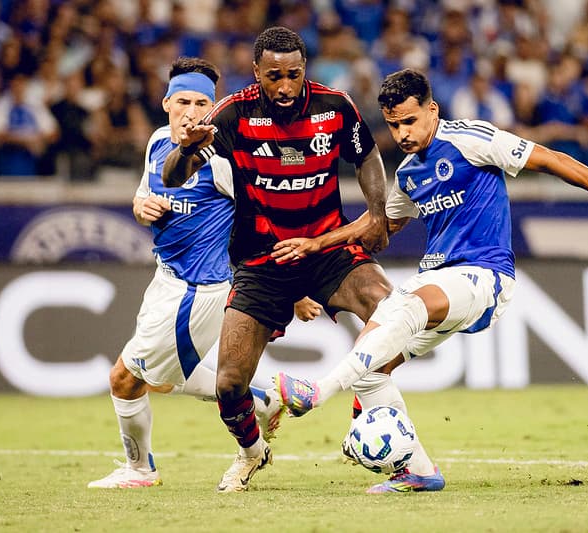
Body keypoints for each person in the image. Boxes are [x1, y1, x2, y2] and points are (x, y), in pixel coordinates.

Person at [273, 68, 588, 492]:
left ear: (432, 109)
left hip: (484, 275)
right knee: (371, 367)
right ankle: (419, 472)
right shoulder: (407, 174)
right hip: (444, 281)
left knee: (401, 304)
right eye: (394, 125)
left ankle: (317, 391)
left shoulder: (471, 139)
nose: (402, 133)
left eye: (410, 121)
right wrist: (316, 244)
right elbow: (377, 227)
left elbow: (552, 160)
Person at [162, 27, 439, 493]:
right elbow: (173, 178)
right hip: (262, 261)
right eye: (275, 76)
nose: (286, 86)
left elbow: (367, 156)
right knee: (229, 383)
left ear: (304, 69)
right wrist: (188, 147)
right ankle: (251, 452)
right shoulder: (231, 115)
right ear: (257, 72)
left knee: (392, 313)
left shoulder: (335, 106)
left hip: (328, 249)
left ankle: (366, 416)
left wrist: (376, 213)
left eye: (294, 74)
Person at [88, 57, 304, 489]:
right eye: (183, 101)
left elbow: (264, 218)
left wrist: (293, 285)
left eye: (202, 103)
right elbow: (143, 197)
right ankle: (264, 399)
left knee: (125, 380)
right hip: (164, 279)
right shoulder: (156, 142)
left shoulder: (221, 159)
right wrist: (141, 207)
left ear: (213, 108)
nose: (191, 112)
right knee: (162, 380)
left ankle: (140, 470)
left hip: (198, 291)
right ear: (166, 103)